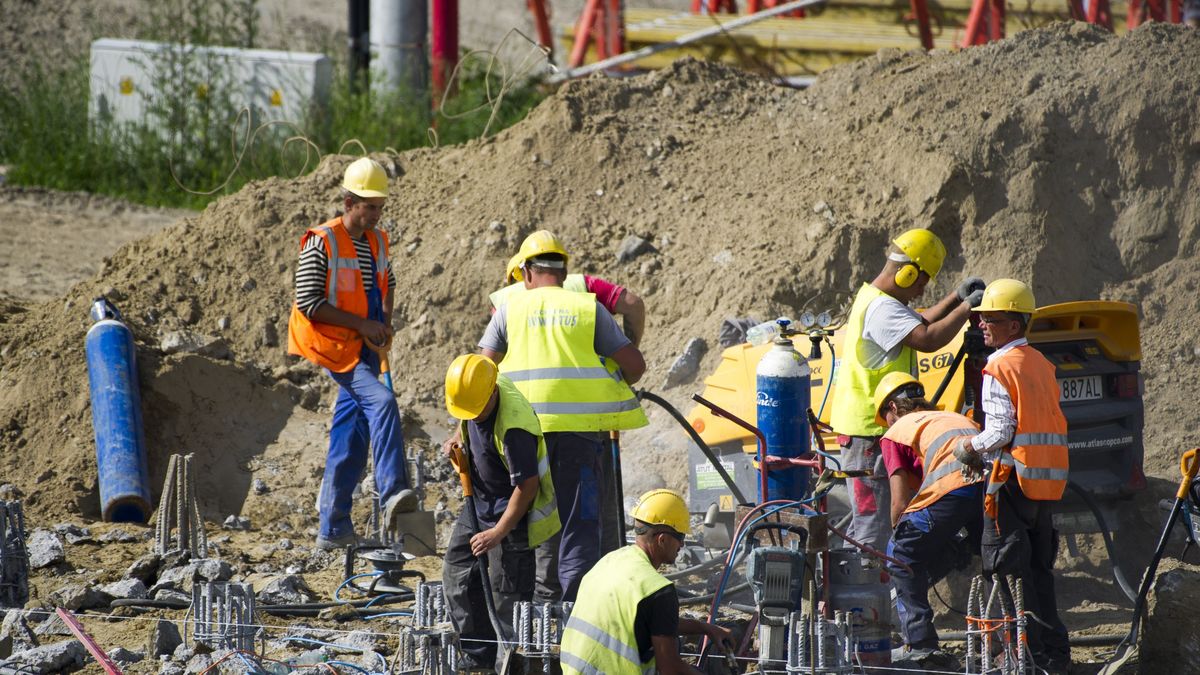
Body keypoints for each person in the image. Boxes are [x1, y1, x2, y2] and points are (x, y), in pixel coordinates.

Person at [477, 243, 648, 603]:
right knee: (578, 528)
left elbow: (480, 373)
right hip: (578, 438)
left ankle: (531, 614)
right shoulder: (588, 308)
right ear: (565, 272)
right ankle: (575, 615)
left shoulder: (509, 309)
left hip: (520, 435)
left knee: (526, 519)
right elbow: (635, 366)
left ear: (526, 273)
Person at [829, 228, 984, 554]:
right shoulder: (883, 308)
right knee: (875, 525)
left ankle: (878, 595)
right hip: (868, 432)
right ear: (908, 272)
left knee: (878, 521)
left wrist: (956, 298)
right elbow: (927, 338)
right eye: (920, 283)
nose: (919, 291)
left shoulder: (876, 299)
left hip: (875, 429)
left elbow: (920, 320)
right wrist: (968, 308)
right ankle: (871, 600)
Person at [287, 157, 416, 550]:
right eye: (369, 207)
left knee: (353, 432)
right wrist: (362, 325)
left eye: (380, 207)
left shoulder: (377, 240)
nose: (376, 214)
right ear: (348, 202)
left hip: (362, 348)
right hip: (332, 346)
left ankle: (334, 527)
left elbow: (387, 281)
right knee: (382, 402)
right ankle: (394, 490)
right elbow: (308, 301)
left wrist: (385, 323)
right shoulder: (322, 241)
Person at [953, 279, 1070, 674]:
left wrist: (969, 447)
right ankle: (1054, 654)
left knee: (1006, 572)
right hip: (1044, 484)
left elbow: (1001, 430)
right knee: (1038, 572)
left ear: (1014, 326)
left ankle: (1020, 657)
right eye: (981, 317)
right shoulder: (1041, 364)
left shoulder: (999, 367)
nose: (982, 324)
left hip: (1010, 482)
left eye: (991, 319)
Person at [441, 354, 561, 672]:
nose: (472, 416)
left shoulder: (515, 428)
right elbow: (465, 410)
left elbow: (528, 487)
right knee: (455, 573)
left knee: (505, 597)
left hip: (512, 515)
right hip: (479, 501)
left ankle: (505, 665)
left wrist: (497, 534)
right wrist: (458, 437)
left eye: (476, 410)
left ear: (492, 393)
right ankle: (478, 651)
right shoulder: (478, 388)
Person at [872, 372, 983, 667]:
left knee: (902, 553)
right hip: (990, 490)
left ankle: (920, 644)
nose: (888, 425)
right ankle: (1004, 639)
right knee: (990, 558)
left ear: (893, 408)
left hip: (955, 490)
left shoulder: (896, 432)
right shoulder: (949, 418)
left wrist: (898, 537)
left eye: (886, 417)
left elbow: (900, 500)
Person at [559, 489, 733, 675]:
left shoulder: (610, 561)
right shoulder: (658, 590)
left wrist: (705, 628)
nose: (682, 545)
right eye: (680, 537)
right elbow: (670, 670)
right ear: (662, 539)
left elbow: (646, 619)